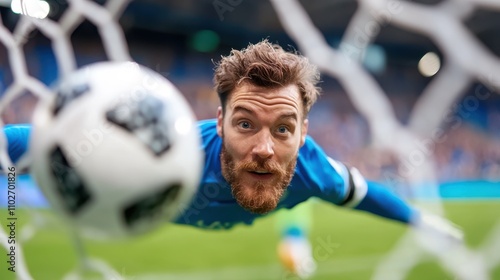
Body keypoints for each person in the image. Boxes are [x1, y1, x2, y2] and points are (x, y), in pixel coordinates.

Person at [3, 40, 462, 278]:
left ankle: (296, 235)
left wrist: (423, 224)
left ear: (305, 134)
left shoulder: (314, 171)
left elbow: (366, 195)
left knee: (297, 212)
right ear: (218, 121)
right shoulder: (162, 151)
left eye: (283, 128)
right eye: (245, 124)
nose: (264, 148)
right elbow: (35, 140)